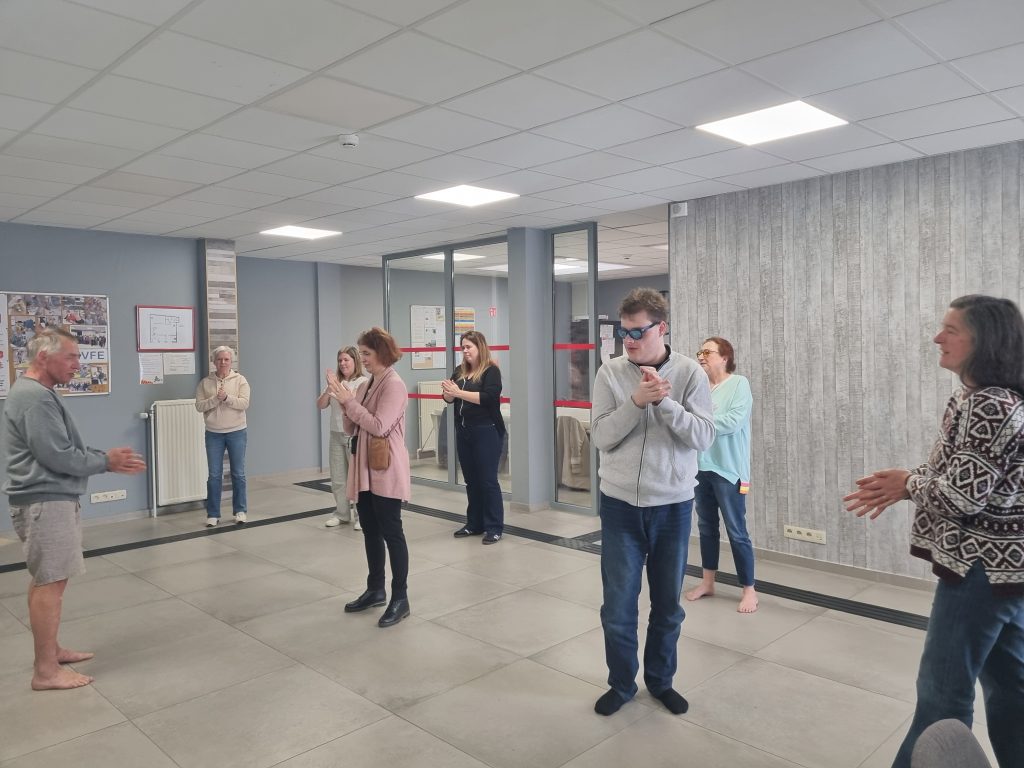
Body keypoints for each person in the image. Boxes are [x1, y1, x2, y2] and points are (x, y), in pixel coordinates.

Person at [844, 295, 1024, 768]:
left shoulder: (989, 403)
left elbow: (962, 497)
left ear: (983, 342)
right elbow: (954, 470)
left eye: (951, 330)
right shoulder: (978, 396)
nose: (937, 338)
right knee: (1010, 686)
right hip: (1006, 572)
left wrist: (908, 483)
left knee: (941, 697)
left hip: (980, 570)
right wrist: (908, 482)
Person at [590, 287, 715, 716]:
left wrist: (666, 404)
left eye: (638, 331)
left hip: (673, 508)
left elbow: (703, 436)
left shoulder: (689, 374)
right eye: (624, 331)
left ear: (661, 328)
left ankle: (661, 681)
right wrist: (635, 403)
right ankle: (622, 684)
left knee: (667, 606)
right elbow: (602, 437)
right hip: (621, 506)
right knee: (618, 607)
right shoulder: (610, 373)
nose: (629, 339)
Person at [2, 328, 145, 690]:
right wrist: (106, 462)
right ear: (43, 358)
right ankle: (46, 672)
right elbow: (58, 456)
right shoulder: (35, 397)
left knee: (46, 580)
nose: (78, 365)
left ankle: (51, 652)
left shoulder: (36, 392)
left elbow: (61, 448)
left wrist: (101, 459)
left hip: (46, 498)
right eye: (71, 357)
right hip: (45, 501)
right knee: (50, 584)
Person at [332, 327, 412, 628]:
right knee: (370, 528)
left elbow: (379, 426)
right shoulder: (368, 385)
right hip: (365, 468)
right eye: (361, 353)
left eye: (366, 353)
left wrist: (350, 404)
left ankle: (400, 597)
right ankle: (376, 588)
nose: (361, 358)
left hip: (386, 467)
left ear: (381, 352)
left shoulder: (394, 385)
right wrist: (344, 402)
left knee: (392, 531)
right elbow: (353, 428)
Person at [684, 337, 757, 613]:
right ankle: (708, 582)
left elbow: (733, 421)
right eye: (699, 351)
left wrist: (699, 422)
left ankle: (749, 590)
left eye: (707, 352)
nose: (701, 356)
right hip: (700, 468)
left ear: (724, 357)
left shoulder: (739, 384)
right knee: (705, 528)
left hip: (729, 471)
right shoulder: (700, 387)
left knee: (737, 532)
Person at [442, 331, 506, 544]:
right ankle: (474, 523)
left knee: (488, 481)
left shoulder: (491, 371)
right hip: (464, 431)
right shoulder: (460, 371)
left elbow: (489, 398)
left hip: (486, 431)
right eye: (463, 347)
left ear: (480, 347)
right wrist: (449, 394)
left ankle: (494, 527)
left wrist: (458, 393)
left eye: (469, 346)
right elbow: (449, 396)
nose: (465, 351)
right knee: (471, 481)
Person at [195, 346, 250, 527]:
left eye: (226, 359)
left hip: (237, 431)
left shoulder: (240, 380)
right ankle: (212, 514)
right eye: (219, 359)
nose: (223, 363)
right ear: (214, 361)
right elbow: (199, 406)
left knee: (238, 473)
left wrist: (227, 398)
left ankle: (240, 510)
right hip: (213, 434)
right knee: (214, 475)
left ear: (231, 361)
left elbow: (244, 403)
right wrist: (215, 399)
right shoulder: (205, 383)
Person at [317, 346, 368, 529]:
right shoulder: (335, 382)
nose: (343, 363)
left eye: (346, 360)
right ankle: (342, 513)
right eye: (340, 360)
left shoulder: (363, 382)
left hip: (353, 435)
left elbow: (354, 405)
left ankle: (361, 516)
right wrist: (328, 389)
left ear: (355, 361)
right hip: (335, 435)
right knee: (338, 478)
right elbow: (321, 405)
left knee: (357, 479)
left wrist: (341, 390)